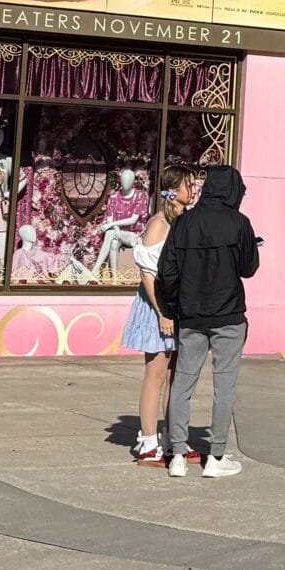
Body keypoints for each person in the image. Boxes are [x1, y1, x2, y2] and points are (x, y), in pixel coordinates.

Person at [154, 162, 259, 479]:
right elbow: (248, 268)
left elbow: (166, 272)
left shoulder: (184, 223)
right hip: (228, 315)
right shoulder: (239, 223)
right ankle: (215, 457)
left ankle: (178, 456)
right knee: (224, 386)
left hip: (192, 316)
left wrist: (172, 308)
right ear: (233, 190)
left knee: (183, 383)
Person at [120, 168, 200, 465]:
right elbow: (147, 274)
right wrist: (162, 311)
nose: (193, 190)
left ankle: (173, 439)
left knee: (177, 376)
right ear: (172, 189)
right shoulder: (159, 223)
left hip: (178, 306)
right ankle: (148, 442)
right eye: (188, 185)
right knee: (157, 372)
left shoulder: (184, 221)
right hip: (159, 306)